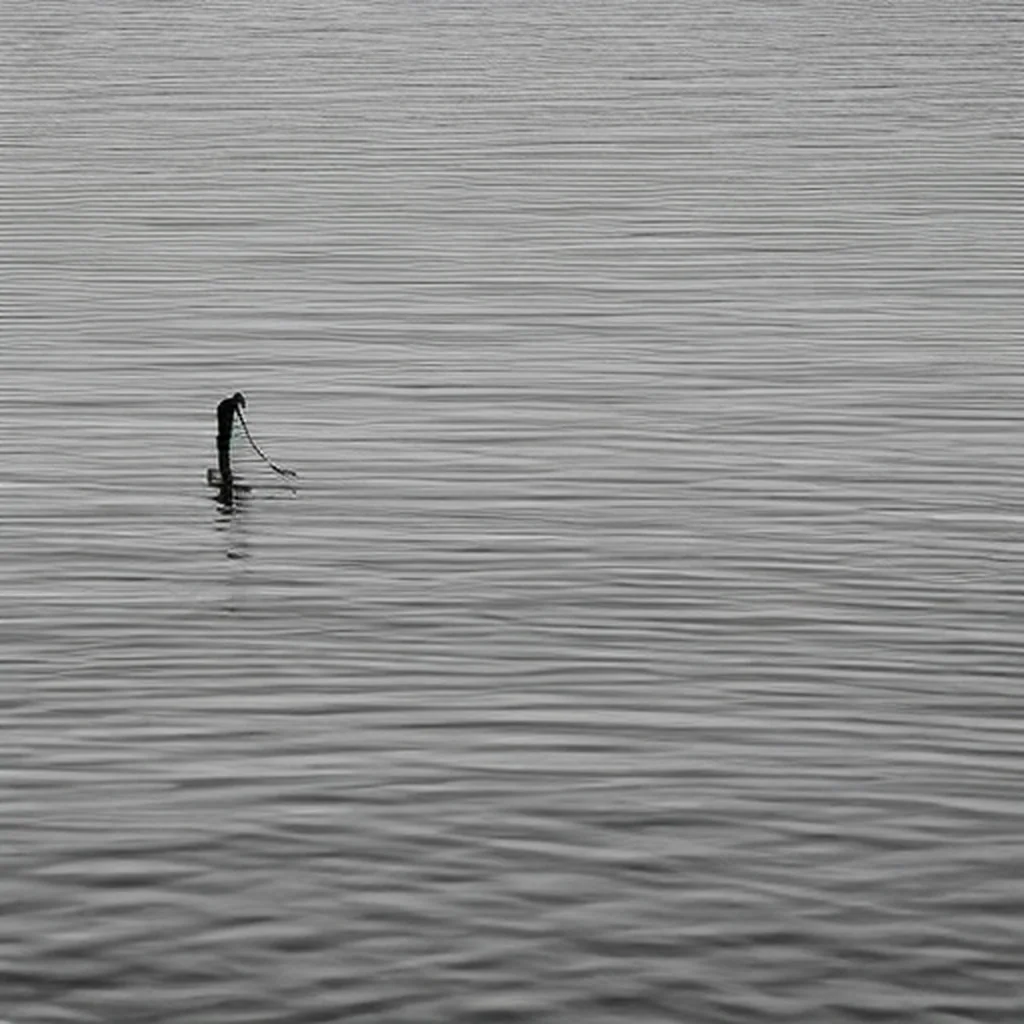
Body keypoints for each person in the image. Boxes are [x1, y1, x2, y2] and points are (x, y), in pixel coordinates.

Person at [216, 392, 246, 486]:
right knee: (224, 454)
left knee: (224, 456)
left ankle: (225, 473)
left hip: (224, 437)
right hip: (224, 438)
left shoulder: (228, 405)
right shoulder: (228, 405)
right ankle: (226, 475)